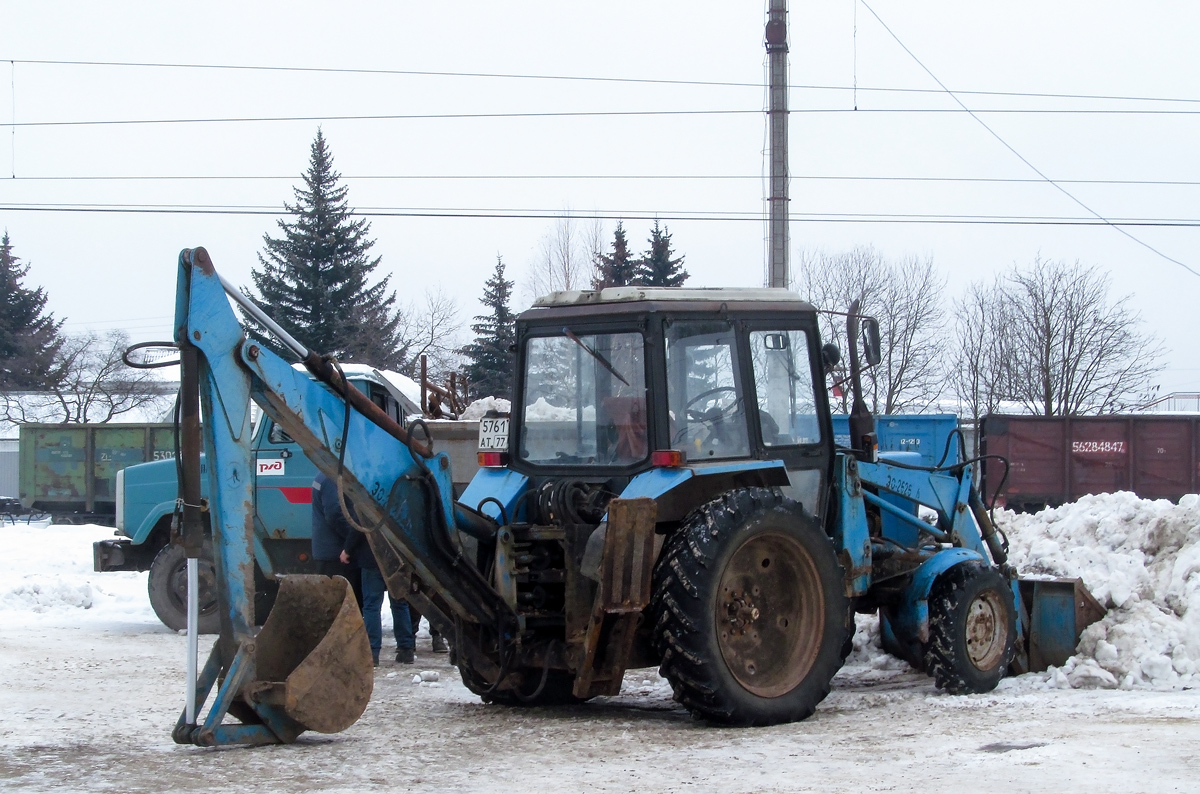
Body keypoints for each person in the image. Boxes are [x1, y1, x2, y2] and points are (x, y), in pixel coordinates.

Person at [313, 472, 415, 665]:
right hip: (396, 559)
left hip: (372, 558)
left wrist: (348, 550)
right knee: (399, 602)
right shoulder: (402, 500)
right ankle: (406, 649)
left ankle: (373, 652)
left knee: (371, 605)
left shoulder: (367, 497)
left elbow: (358, 526)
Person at [310, 471, 362, 608]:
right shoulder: (332, 479)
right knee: (343, 604)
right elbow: (334, 513)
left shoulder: (321, 476)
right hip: (337, 552)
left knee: (331, 602)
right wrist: (351, 540)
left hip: (327, 549)